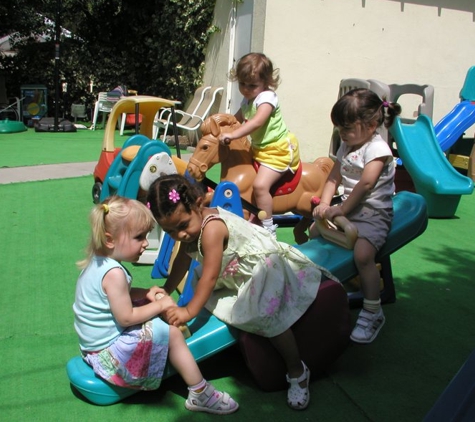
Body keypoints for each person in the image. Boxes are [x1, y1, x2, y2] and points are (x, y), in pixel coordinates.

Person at [147, 174, 337, 410]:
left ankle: (297, 370)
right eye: (170, 231)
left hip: (259, 269)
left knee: (269, 318)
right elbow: (182, 262)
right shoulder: (191, 228)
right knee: (213, 297)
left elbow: (210, 275)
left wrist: (188, 311)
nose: (180, 235)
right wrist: (166, 288)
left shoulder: (211, 229)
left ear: (198, 204)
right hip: (234, 271)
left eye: (183, 226)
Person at [73, 196, 238, 414]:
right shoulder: (114, 273)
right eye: (139, 237)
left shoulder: (99, 262)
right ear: (110, 240)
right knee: (172, 334)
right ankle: (200, 392)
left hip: (91, 349)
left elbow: (119, 296)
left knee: (149, 306)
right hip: (111, 355)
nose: (145, 244)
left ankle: (171, 349)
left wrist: (147, 293)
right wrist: (161, 306)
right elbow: (126, 318)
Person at [312, 88, 401, 344]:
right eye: (340, 128)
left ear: (372, 125)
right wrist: (326, 203)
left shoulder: (377, 149)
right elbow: (334, 175)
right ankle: (322, 288)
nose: (343, 134)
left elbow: (365, 184)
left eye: (348, 128)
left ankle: (373, 311)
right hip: (347, 208)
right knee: (316, 233)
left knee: (363, 255)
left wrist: (341, 209)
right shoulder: (348, 144)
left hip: (373, 212)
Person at [218, 52, 301, 237]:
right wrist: (221, 124)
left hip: (277, 151)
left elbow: (256, 122)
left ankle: (268, 226)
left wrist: (232, 135)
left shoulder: (267, 98)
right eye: (242, 84)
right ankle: (254, 213)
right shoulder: (248, 99)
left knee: (260, 186)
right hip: (260, 150)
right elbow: (237, 119)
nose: (246, 89)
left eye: (252, 85)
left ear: (266, 82)